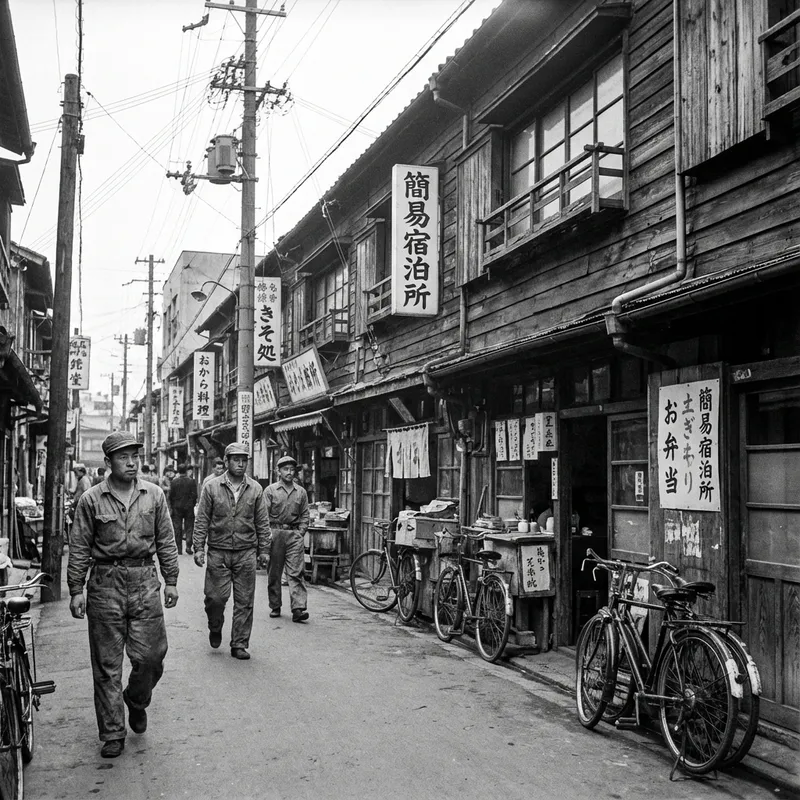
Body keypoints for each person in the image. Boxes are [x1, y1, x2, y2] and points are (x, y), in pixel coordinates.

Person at [67, 431, 179, 759]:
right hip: (105, 584)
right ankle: (113, 732)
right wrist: (76, 589)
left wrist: (171, 580)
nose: (131, 463)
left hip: (145, 581)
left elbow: (166, 539)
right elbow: (79, 545)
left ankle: (136, 699)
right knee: (107, 665)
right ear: (108, 462)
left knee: (152, 657)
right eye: (123, 457)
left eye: (134, 456)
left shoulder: (154, 495)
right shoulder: (91, 499)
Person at [192, 443, 270, 660]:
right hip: (218, 551)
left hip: (246, 551)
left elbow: (262, 522)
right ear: (226, 461)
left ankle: (239, 643)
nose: (241, 464)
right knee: (215, 598)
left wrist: (264, 549)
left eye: (244, 460)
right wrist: (198, 548)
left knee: (245, 600)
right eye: (236, 460)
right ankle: (215, 624)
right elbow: (202, 519)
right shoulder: (211, 487)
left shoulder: (255, 489)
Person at [265, 455, 310, 623]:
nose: (289, 472)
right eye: (285, 469)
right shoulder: (270, 491)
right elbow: (263, 515)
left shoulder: (301, 492)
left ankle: (298, 608)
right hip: (275, 533)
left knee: (296, 572)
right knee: (274, 573)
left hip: (294, 535)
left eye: (292, 469)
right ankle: (275, 605)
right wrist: (266, 535)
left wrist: (301, 532)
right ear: (279, 471)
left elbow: (305, 514)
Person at [169, 464, 198, 555]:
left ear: (178, 471)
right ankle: (188, 545)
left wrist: (173, 506)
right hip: (188, 508)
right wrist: (192, 505)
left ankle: (179, 548)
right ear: (186, 471)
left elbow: (171, 496)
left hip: (177, 508)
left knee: (177, 528)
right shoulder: (191, 481)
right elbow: (194, 495)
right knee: (189, 527)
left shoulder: (174, 481)